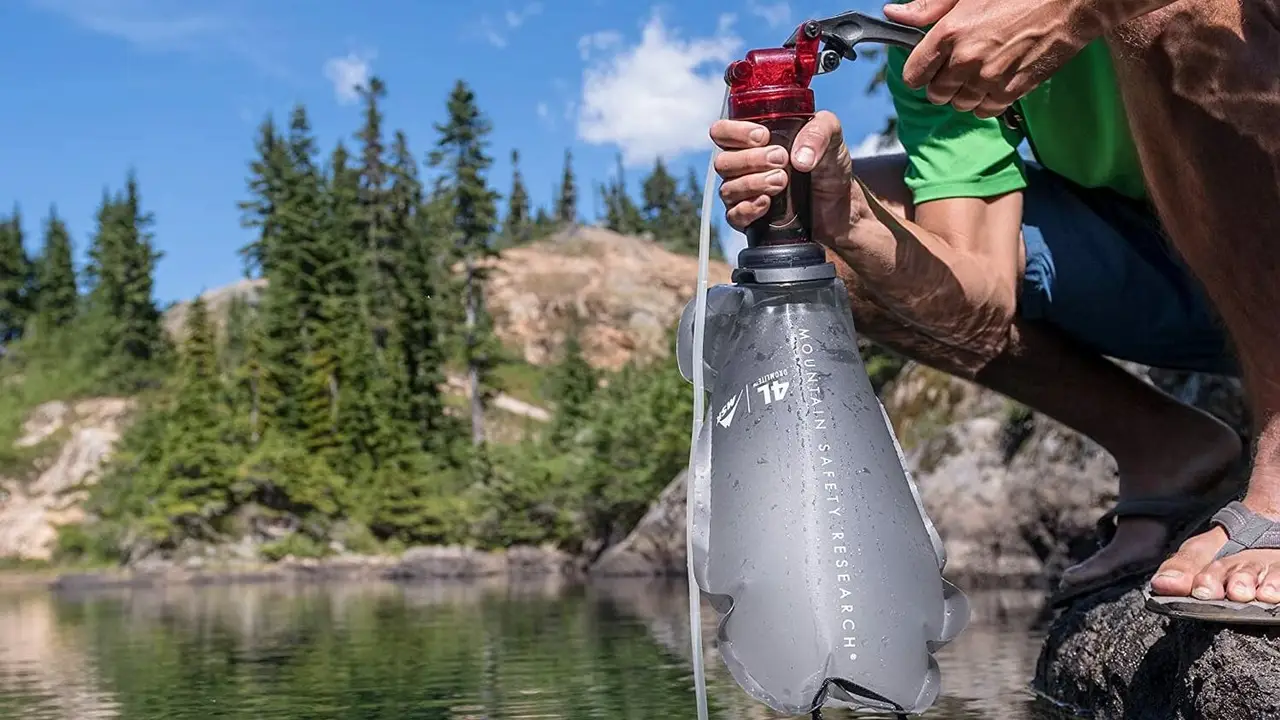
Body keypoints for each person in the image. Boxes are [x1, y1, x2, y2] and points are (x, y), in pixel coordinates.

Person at [709, 0, 1280, 621]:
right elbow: (982, 295)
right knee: (825, 253)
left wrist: (1076, 10)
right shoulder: (940, 28)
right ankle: (1165, 447)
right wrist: (850, 220)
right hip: (1183, 276)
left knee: (1175, 13)